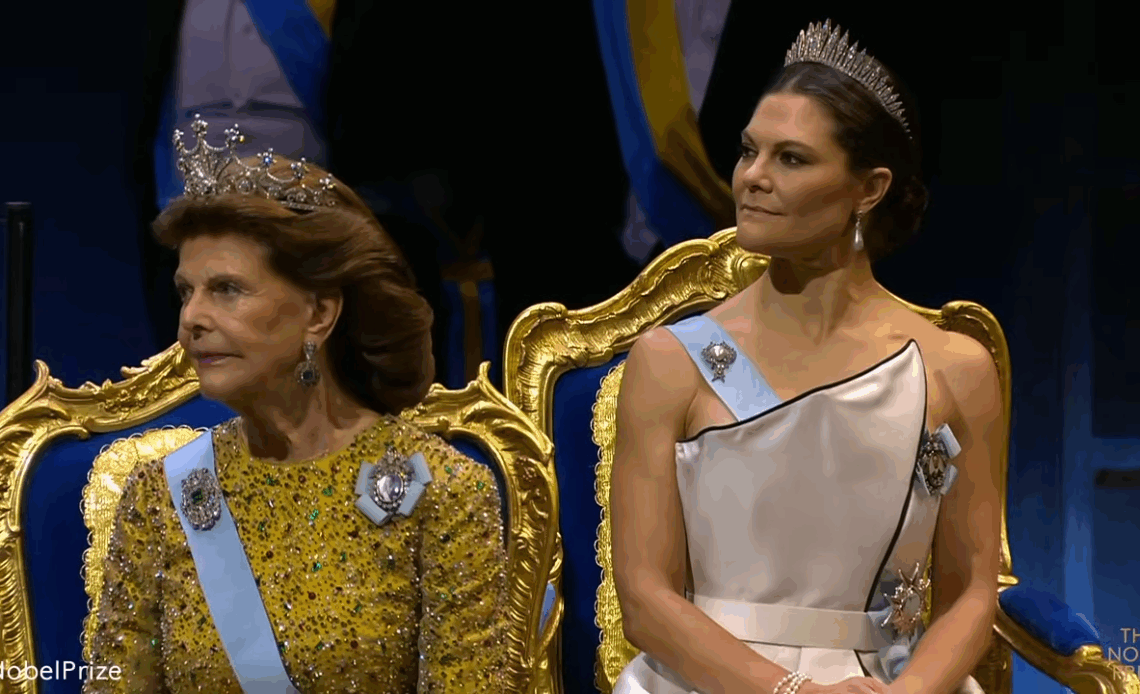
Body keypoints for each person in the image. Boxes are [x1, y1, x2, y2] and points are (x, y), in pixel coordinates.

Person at [609, 20, 999, 694]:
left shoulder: (955, 368)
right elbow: (645, 600)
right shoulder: (672, 361)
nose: (752, 178)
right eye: (748, 151)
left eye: (791, 159)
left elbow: (972, 592)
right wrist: (794, 692)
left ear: (868, 189)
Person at [83, 116, 509, 692]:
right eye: (186, 291)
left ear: (319, 313)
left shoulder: (439, 493)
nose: (191, 319)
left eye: (227, 289)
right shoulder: (160, 498)